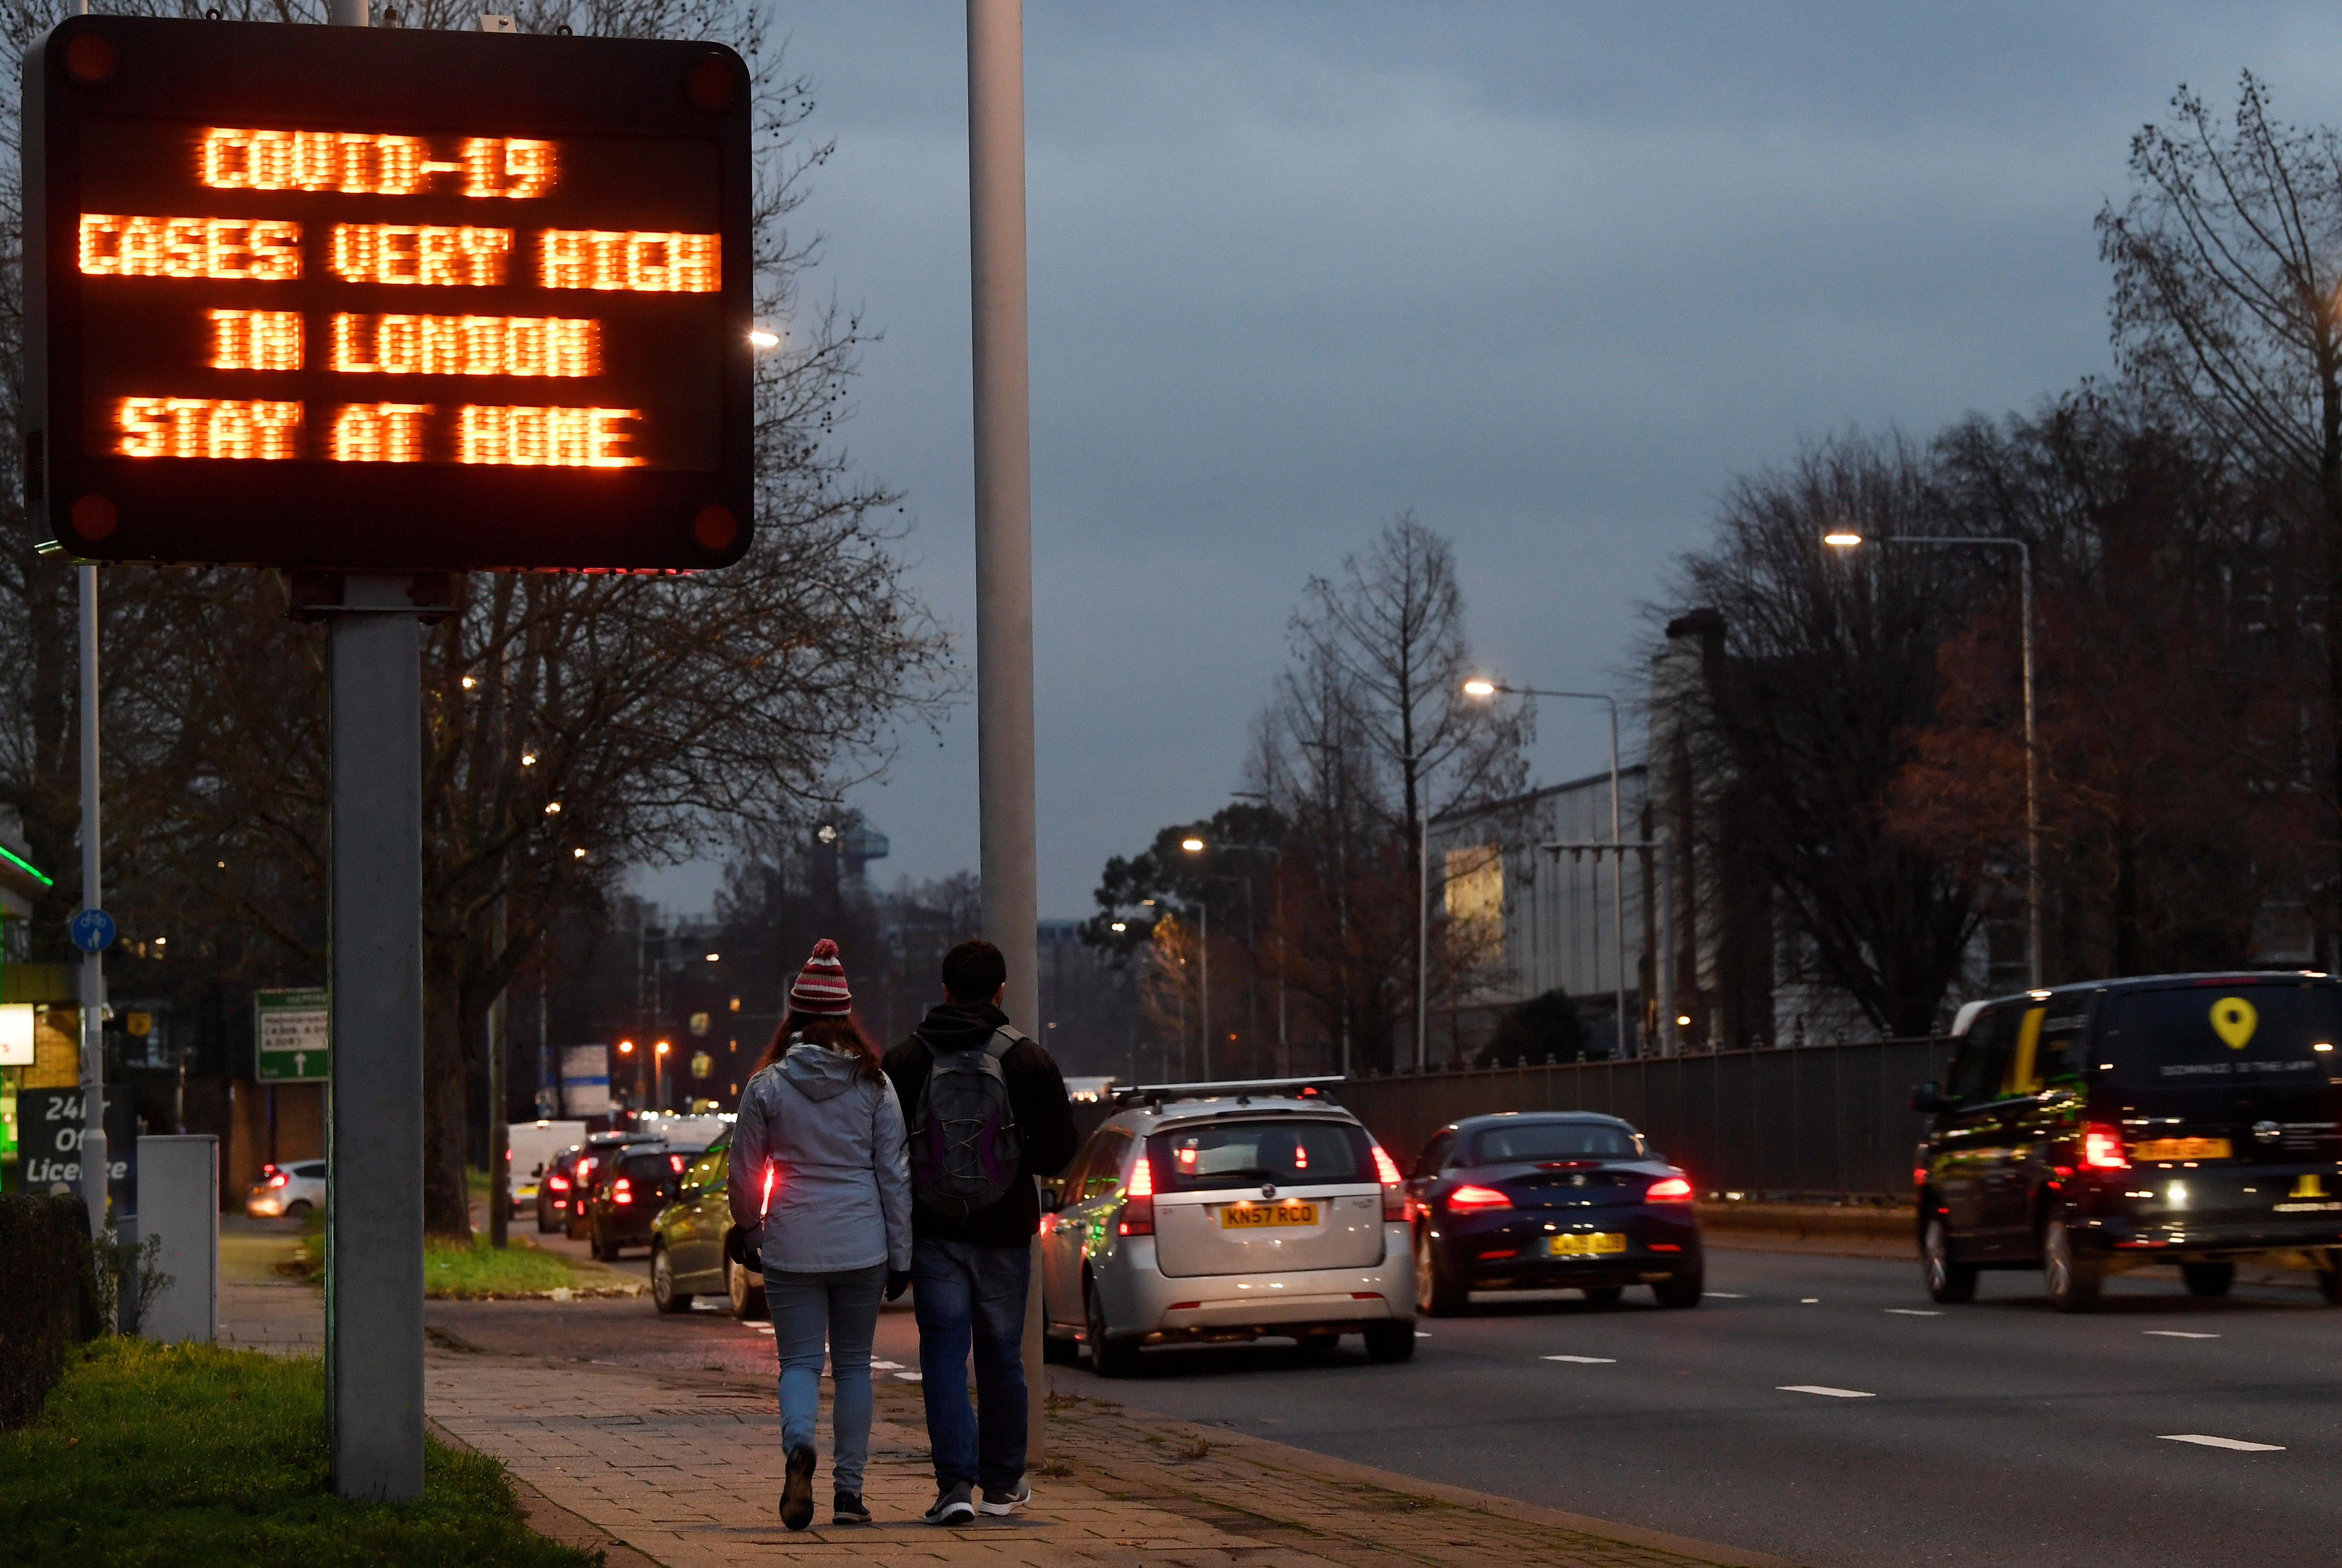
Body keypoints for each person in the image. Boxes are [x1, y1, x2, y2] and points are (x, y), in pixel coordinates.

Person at [882, 937, 1078, 1526]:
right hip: (1003, 1232)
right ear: (1000, 991)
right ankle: (1000, 1485)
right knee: (1001, 1358)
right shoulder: (1028, 1060)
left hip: (934, 1230)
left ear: (943, 991)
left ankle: (953, 1488)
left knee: (943, 1353)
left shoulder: (906, 1060)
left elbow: (888, 1153)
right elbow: (1058, 1152)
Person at [729, 938, 913, 1532]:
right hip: (862, 1242)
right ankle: (848, 1496)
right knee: (855, 1366)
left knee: (800, 1362)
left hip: (791, 1242)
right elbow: (893, 1173)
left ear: (795, 1017)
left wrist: (752, 1232)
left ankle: (798, 1447)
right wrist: (901, 1255)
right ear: (843, 1017)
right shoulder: (874, 1086)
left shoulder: (767, 1087)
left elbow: (745, 1171)